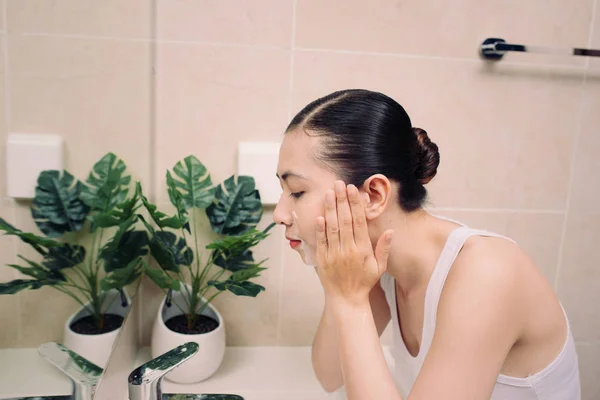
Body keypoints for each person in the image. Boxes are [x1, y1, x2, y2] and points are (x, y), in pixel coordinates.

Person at [273, 89, 581, 400]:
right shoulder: (382, 265)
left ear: (375, 195)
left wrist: (351, 301)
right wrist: (339, 285)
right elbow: (329, 375)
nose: (279, 214)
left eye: (297, 192)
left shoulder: (487, 271)